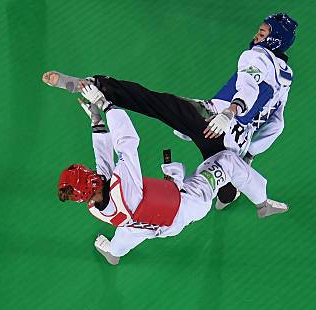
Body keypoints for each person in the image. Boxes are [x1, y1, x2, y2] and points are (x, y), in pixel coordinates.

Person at [43, 12, 297, 210]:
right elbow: (277, 124)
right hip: (237, 140)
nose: (257, 35)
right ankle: (227, 197)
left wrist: (230, 111)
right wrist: (250, 153)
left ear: (275, 39)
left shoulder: (255, 57)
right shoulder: (286, 77)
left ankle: (89, 85)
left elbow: (248, 87)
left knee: (155, 102)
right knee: (223, 167)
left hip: (212, 119)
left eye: (263, 32)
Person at [55, 83, 288, 266]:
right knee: (227, 161)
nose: (93, 174)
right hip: (190, 202)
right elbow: (126, 143)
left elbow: (103, 165)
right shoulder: (122, 188)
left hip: (158, 225)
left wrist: (97, 123)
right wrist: (107, 106)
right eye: (89, 177)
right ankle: (262, 203)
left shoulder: (96, 206)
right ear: (90, 187)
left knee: (127, 235)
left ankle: (113, 254)